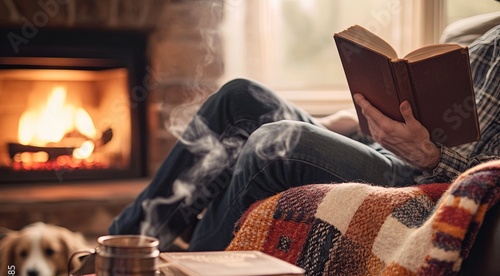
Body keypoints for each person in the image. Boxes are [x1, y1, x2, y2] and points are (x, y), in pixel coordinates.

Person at [109, 24, 499, 252]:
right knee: (240, 98)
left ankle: (187, 270)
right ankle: (120, 251)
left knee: (275, 143)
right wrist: (356, 120)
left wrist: (429, 156)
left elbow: (484, 174)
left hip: (427, 177)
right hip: (384, 146)